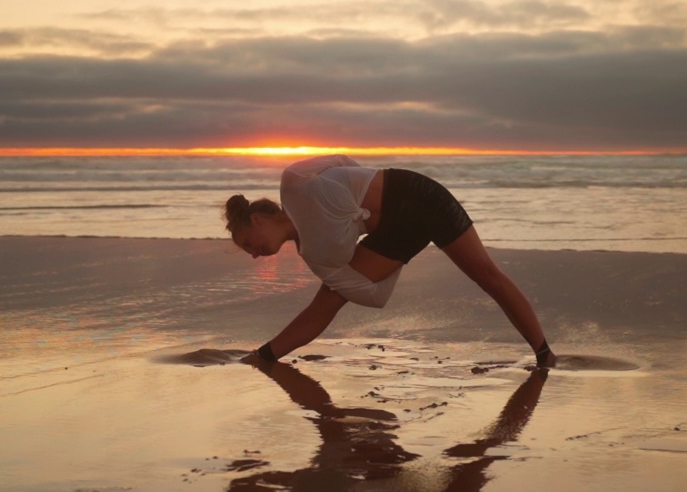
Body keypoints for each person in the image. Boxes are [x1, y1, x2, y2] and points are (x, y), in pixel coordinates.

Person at [224, 155, 556, 367]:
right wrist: (377, 249)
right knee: (328, 299)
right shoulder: (313, 254)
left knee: (488, 277)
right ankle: (264, 356)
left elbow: (341, 160)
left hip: (417, 195)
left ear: (258, 220)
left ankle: (544, 354)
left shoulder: (294, 182)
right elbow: (374, 295)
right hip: (395, 235)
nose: (254, 254)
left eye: (249, 245)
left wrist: (354, 196)